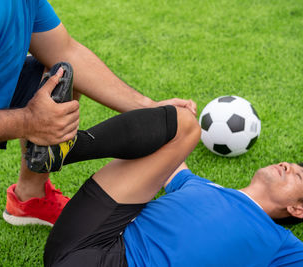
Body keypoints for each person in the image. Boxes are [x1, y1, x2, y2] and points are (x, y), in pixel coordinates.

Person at [0, 0, 196, 265]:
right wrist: (29, 122)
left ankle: (30, 196)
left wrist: (146, 106)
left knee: (58, 76)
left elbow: (64, 51)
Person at [43, 105, 303, 266]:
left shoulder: (281, 245)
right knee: (185, 125)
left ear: (297, 210)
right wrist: (162, 112)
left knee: (185, 127)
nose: (286, 165)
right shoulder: (201, 185)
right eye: (292, 165)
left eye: (298, 177)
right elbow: (172, 154)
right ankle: (63, 148)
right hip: (87, 236)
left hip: (123, 263)